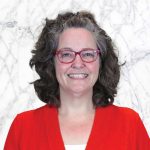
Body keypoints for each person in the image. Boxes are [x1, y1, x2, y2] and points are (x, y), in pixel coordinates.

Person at [4, 11, 150, 150]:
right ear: (51, 62)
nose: (78, 63)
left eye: (87, 54)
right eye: (66, 54)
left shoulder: (129, 124)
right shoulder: (23, 127)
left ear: (101, 62)